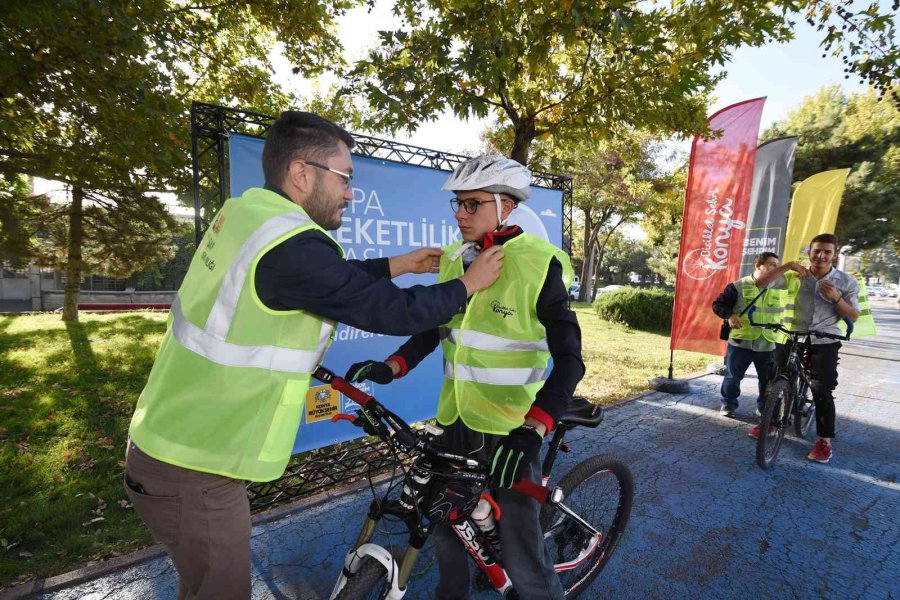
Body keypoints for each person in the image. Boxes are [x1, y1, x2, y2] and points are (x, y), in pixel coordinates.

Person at [123, 111, 505, 599]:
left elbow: (328, 279)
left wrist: (396, 263)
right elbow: (388, 311)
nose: (349, 193)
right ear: (302, 173)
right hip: (195, 465)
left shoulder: (252, 216)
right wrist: (467, 285)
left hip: (178, 442)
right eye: (345, 178)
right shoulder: (291, 245)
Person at [346, 155, 585, 600]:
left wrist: (534, 429)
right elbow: (434, 327)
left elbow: (571, 361)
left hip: (510, 429)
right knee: (442, 526)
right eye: (458, 204)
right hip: (454, 420)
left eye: (473, 204)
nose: (460, 213)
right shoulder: (456, 259)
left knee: (522, 551)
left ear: (506, 207)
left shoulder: (539, 264)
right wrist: (393, 366)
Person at [753, 233, 860, 463]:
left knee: (821, 389)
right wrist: (788, 265)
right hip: (793, 334)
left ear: (834, 254)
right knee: (777, 379)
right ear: (809, 251)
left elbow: (853, 315)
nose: (821, 255)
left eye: (827, 252)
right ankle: (770, 423)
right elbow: (760, 282)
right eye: (817, 250)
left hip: (825, 338)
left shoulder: (846, 281)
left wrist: (836, 297)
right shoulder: (794, 275)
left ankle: (823, 441)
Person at [711, 252, 783, 420]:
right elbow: (717, 305)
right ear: (758, 265)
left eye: (777, 265)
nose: (775, 268)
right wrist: (729, 315)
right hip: (740, 342)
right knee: (732, 377)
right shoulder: (738, 286)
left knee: (767, 382)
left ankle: (764, 409)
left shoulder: (779, 288)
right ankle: (728, 403)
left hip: (768, 342)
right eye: (772, 264)